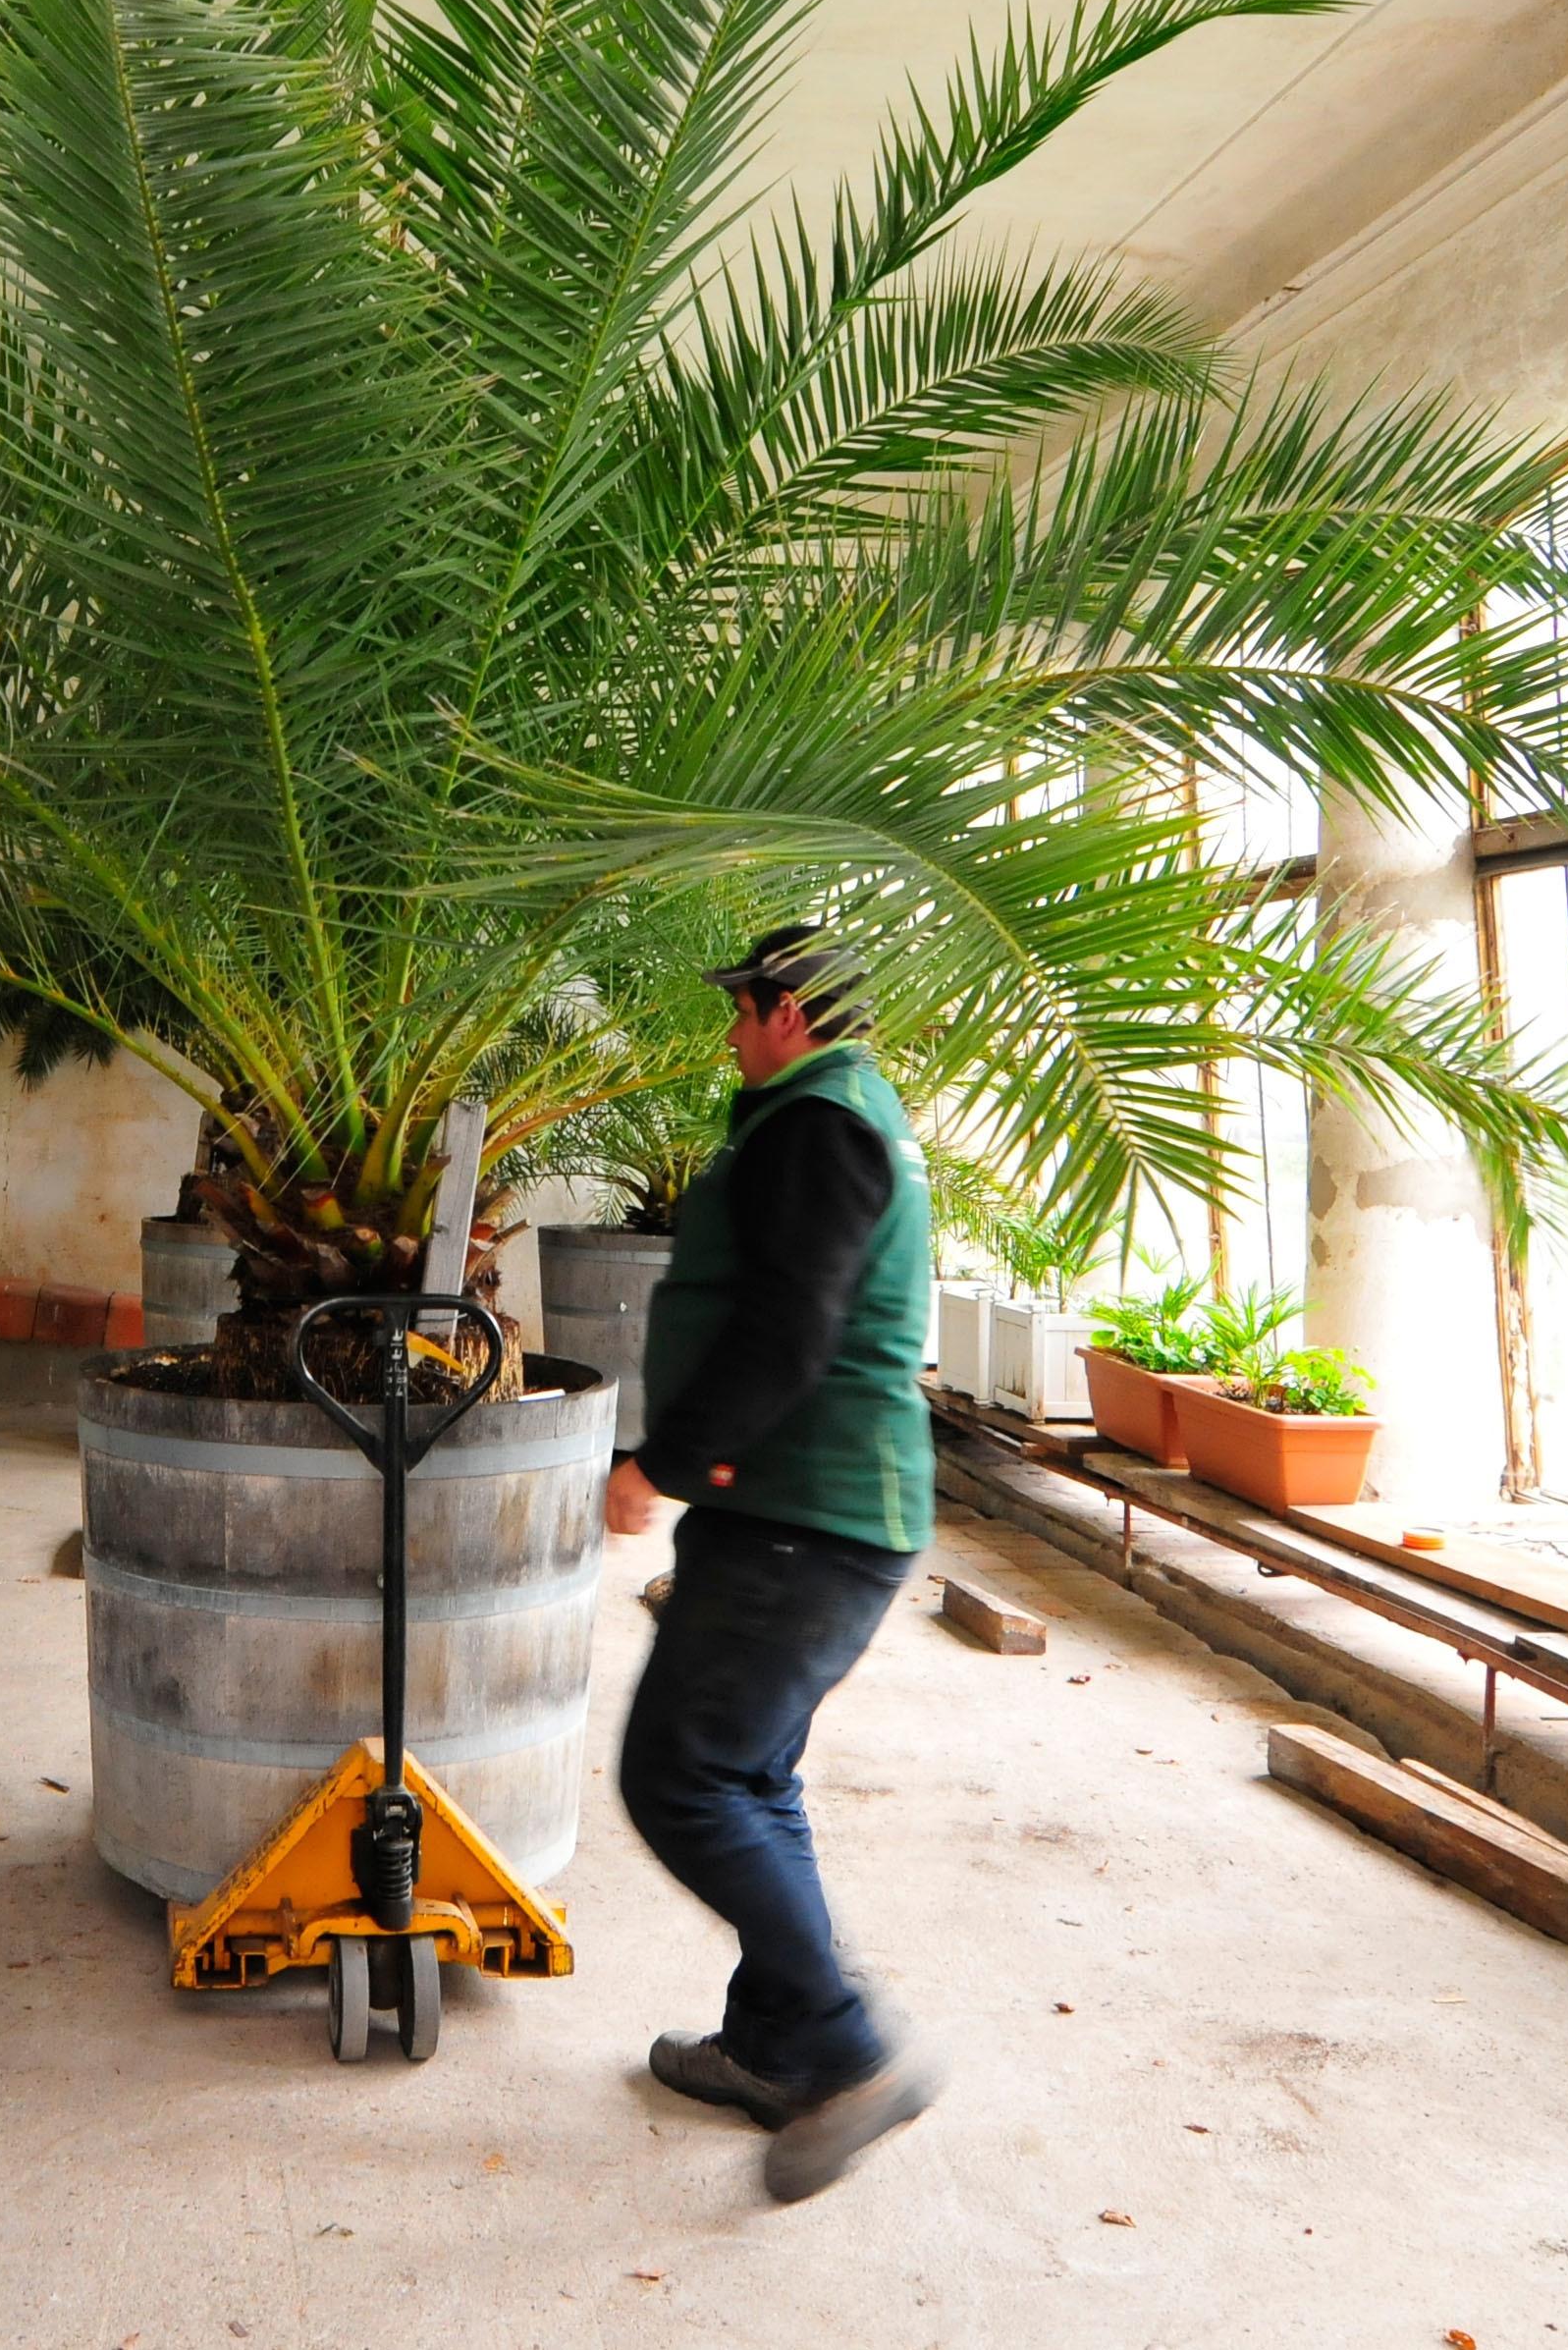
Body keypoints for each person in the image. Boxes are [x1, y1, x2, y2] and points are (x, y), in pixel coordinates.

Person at [605, 923, 939, 2204]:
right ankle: (772, 2045)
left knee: (681, 1775)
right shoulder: (836, 1112)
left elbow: (791, 1326)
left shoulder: (816, 1123)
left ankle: (850, 2053)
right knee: (753, 1769)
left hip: (813, 1513)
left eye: (741, 1010)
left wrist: (663, 1461)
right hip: (814, 1508)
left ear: (786, 1009)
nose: (731, 1033)